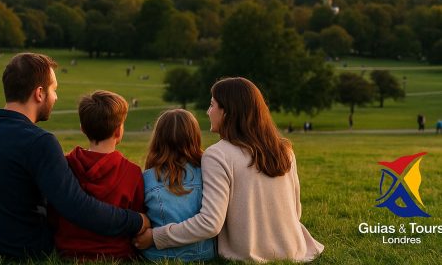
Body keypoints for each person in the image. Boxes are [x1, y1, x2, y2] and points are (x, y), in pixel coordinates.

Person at [0, 53, 148, 258]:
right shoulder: (39, 142)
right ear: (39, 93)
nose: (56, 97)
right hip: (17, 248)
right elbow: (79, 208)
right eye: (54, 89)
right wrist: (137, 221)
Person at [135, 77, 324, 262]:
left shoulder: (218, 155)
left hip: (249, 254)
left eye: (212, 105)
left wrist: (155, 236)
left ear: (227, 112)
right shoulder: (285, 150)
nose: (208, 112)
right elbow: (295, 211)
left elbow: (209, 224)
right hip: (294, 249)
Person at [51, 90, 144, 259]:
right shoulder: (132, 173)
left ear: (82, 129)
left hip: (68, 251)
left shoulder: (64, 166)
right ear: (118, 131)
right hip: (116, 254)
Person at [142, 109, 215, 262]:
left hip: (159, 255)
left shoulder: (147, 178)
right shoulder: (207, 172)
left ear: (158, 139)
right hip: (204, 253)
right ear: (194, 138)